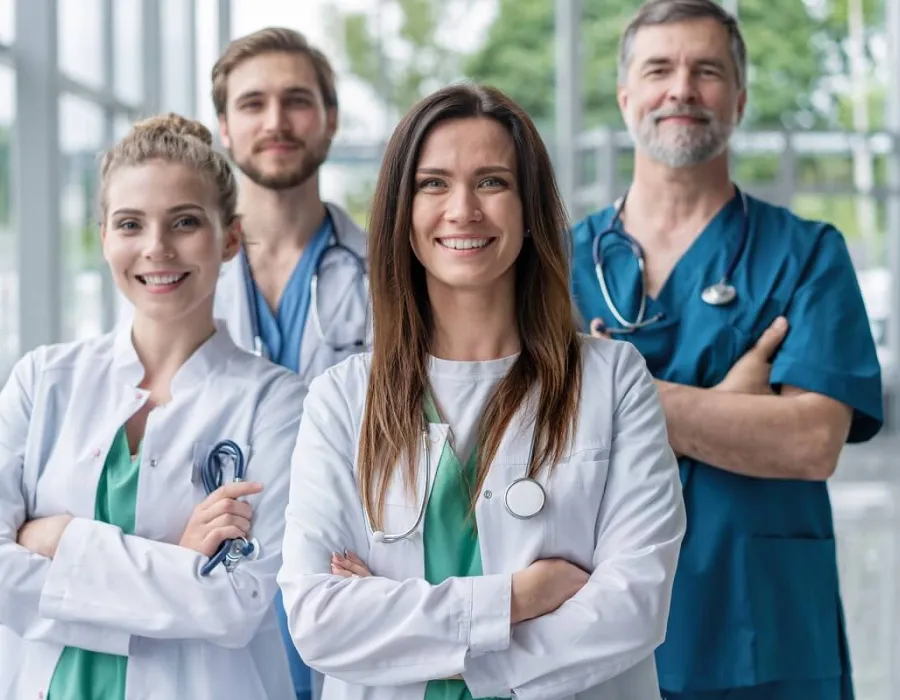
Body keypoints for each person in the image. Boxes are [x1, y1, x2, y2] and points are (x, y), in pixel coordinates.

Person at [276, 83, 686, 700]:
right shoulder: (342, 400)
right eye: (433, 184)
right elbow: (319, 622)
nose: (462, 209)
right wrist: (519, 598)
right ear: (401, 213)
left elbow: (634, 607)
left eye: (492, 182)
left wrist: (428, 647)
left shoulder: (612, 379)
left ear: (528, 211)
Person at [569, 2, 884, 699]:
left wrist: (625, 397)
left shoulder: (806, 255)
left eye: (706, 71)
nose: (681, 88)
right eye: (659, 69)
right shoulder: (557, 265)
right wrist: (725, 411)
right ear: (626, 98)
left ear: (738, 100)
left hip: (763, 629)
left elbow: (809, 443)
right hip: (591, 623)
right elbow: (531, 438)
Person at [0, 114, 305, 699]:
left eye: (185, 222)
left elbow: (235, 604)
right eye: (130, 224)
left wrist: (58, 539)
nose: (156, 248)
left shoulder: (278, 403)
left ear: (231, 238)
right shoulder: (43, 381)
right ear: (105, 236)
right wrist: (175, 563)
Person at [210, 28, 369, 381]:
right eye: (253, 104)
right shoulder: (190, 268)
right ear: (225, 128)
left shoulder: (384, 272)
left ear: (332, 119)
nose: (275, 123)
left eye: (296, 101)